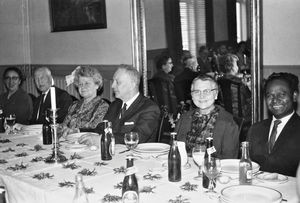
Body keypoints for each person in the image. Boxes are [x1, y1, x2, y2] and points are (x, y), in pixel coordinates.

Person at [247, 72, 300, 177]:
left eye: (282, 94)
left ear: (294, 96)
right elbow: (246, 166)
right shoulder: (255, 130)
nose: (275, 100)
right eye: (269, 95)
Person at [175, 74, 239, 158]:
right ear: (192, 95)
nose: (201, 96)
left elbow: (229, 160)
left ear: (215, 94)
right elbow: (175, 150)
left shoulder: (228, 123)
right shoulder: (184, 118)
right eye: (197, 91)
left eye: (206, 91)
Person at [61, 66, 109, 137]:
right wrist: (63, 128)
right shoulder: (74, 105)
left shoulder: (103, 106)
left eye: (87, 83)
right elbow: (64, 125)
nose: (83, 87)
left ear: (97, 85)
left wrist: (73, 131)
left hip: (88, 143)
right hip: (69, 142)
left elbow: (94, 129)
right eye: (80, 84)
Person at [219, 54, 252, 123]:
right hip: (240, 118)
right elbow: (249, 99)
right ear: (232, 67)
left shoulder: (219, 81)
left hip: (224, 116)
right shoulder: (239, 84)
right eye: (236, 64)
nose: (238, 67)